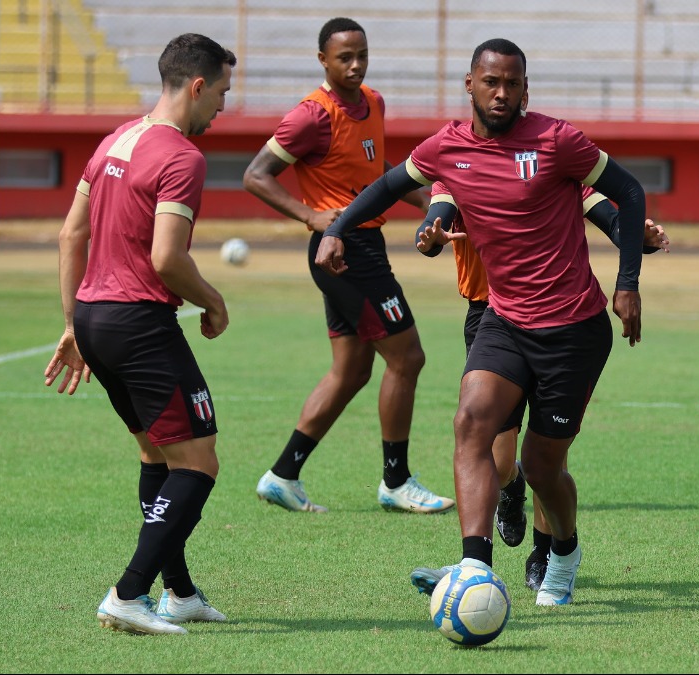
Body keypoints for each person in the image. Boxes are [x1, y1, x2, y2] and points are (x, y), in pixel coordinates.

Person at [315, 38, 647, 606]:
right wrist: (335, 230)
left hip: (573, 328)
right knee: (472, 422)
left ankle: (564, 550)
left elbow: (629, 192)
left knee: (542, 466)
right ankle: (474, 566)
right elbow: (387, 187)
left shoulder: (556, 140)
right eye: (491, 82)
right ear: (469, 83)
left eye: (512, 83)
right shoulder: (447, 148)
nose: (501, 93)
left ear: (525, 89)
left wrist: (628, 284)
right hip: (504, 319)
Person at [42, 34, 236, 635]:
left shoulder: (114, 141)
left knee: (156, 451)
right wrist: (213, 299)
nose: (223, 108)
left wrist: (75, 323)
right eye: (222, 94)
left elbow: (70, 235)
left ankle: (177, 592)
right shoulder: (183, 158)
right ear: (198, 86)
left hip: (98, 320)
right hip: (139, 323)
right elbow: (166, 259)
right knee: (199, 463)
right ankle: (128, 595)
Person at [243, 17, 453, 515]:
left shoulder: (373, 103)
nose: (355, 65)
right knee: (408, 357)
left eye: (361, 54)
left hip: (364, 246)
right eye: (344, 57)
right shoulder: (310, 116)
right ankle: (396, 482)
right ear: (323, 61)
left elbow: (375, 168)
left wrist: (429, 201)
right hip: (342, 251)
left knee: (353, 369)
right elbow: (256, 175)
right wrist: (312, 215)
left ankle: (283, 474)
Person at [415, 180, 669, 590]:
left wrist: (641, 238)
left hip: (557, 320)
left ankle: (545, 551)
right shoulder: (460, 165)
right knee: (495, 459)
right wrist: (430, 237)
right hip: (491, 319)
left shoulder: (551, 166)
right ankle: (510, 486)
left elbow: (611, 217)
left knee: (547, 456)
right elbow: (434, 218)